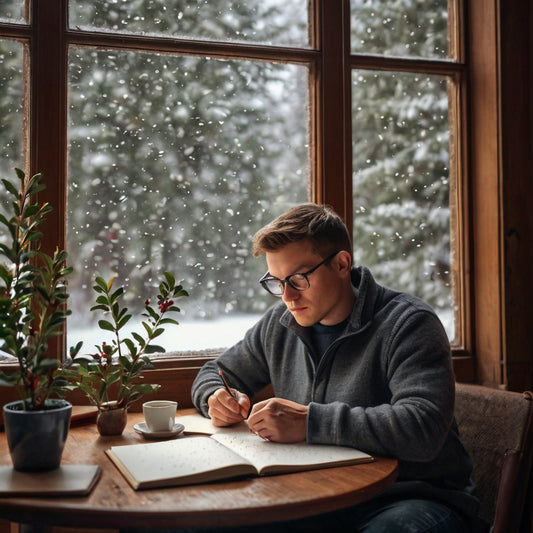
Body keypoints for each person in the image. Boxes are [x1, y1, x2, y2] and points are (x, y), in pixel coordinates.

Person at [191, 203, 486, 533]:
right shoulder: (280, 324)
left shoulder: (409, 323)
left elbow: (421, 428)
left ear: (342, 264)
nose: (286, 296)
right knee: (193, 520)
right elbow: (216, 372)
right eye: (276, 281)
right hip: (317, 496)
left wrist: (310, 422)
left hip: (414, 499)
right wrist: (216, 397)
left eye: (299, 278)